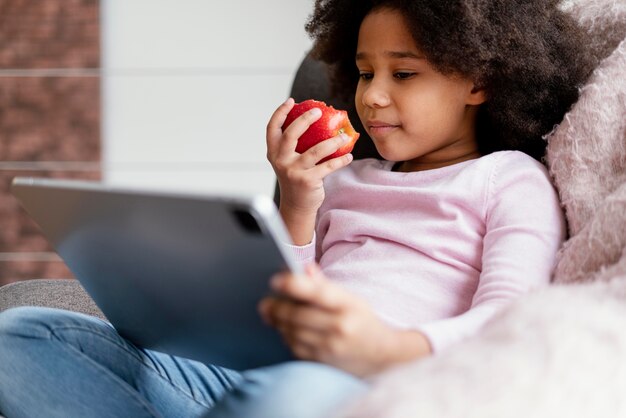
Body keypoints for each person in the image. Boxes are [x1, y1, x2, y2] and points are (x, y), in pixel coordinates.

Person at [0, 1, 595, 417]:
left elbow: (512, 317)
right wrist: (296, 199)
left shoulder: (509, 179)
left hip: (363, 384)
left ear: (480, 80)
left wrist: (383, 348)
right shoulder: (345, 179)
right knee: (20, 337)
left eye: (403, 73)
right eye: (363, 73)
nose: (371, 96)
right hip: (251, 372)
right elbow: (280, 291)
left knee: (283, 401)